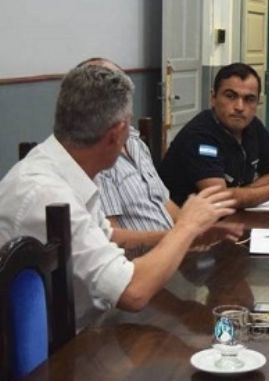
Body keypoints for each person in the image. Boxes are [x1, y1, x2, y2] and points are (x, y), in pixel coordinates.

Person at [0, 64, 240, 327]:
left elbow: (106, 238)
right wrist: (186, 226)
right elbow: (133, 293)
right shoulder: (47, 193)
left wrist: (190, 237)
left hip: (91, 324)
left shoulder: (68, 167)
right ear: (116, 135)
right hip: (67, 344)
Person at [159, 63, 269, 208]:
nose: (239, 107)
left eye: (249, 99)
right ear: (213, 97)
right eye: (230, 96)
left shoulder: (252, 125)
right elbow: (220, 198)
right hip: (182, 221)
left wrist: (242, 195)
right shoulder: (199, 136)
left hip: (229, 217)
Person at [80, 58, 179, 236]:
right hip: (149, 251)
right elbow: (112, 236)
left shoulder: (135, 141)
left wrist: (198, 231)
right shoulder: (97, 158)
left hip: (173, 242)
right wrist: (179, 237)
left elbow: (165, 203)